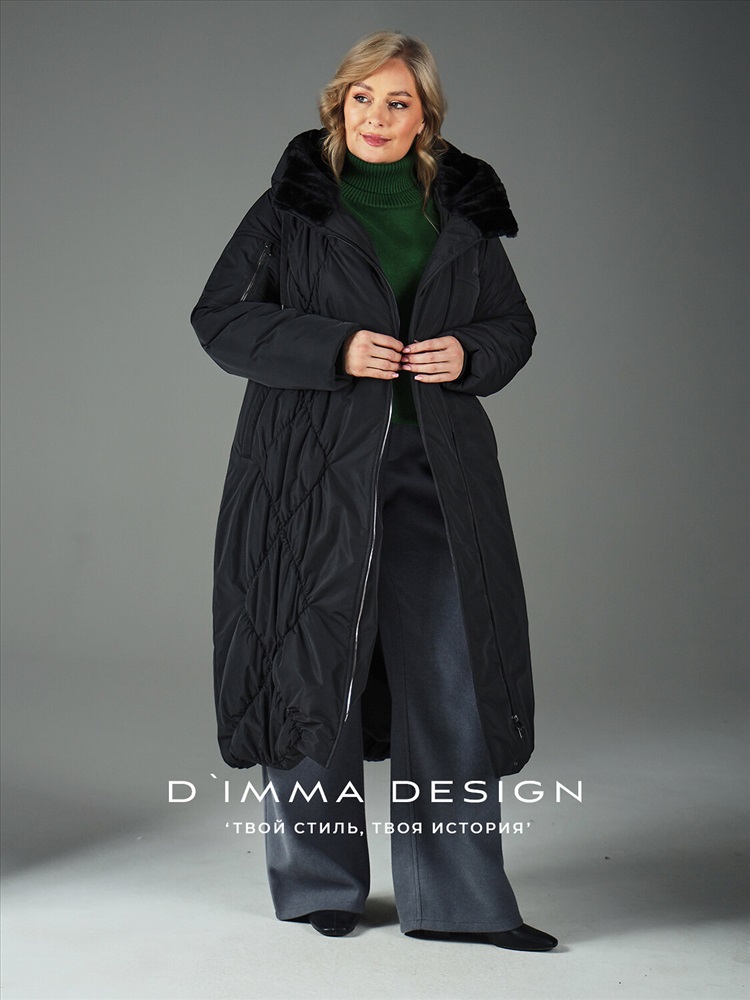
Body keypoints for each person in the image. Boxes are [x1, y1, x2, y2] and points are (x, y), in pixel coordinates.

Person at [191, 30, 557, 952]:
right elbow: (221, 317)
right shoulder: (292, 206)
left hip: (438, 472)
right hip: (311, 478)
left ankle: (461, 902)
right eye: (362, 98)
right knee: (314, 671)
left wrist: (468, 352)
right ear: (337, 104)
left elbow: (511, 325)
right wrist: (335, 348)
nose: (378, 117)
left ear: (425, 115)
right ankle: (321, 886)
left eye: (398, 102)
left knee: (453, 677)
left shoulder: (461, 210)